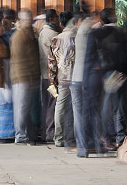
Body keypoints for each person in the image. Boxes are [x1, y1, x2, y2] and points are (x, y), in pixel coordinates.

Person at [88, 8, 127, 150]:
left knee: (104, 108)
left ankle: (105, 138)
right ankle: (121, 138)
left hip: (104, 75)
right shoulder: (123, 33)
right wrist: (125, 72)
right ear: (113, 17)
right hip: (121, 75)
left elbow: (93, 56)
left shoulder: (96, 34)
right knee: (120, 108)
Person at [10, 9, 40, 145]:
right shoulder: (19, 36)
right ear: (21, 20)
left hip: (31, 76)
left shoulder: (31, 34)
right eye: (26, 19)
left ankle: (28, 134)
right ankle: (20, 136)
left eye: (30, 18)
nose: (29, 21)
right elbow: (19, 59)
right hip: (22, 76)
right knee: (21, 108)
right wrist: (27, 75)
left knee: (27, 108)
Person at [71, 2, 96, 157]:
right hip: (83, 79)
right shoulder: (88, 30)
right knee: (84, 115)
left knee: (80, 115)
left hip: (77, 78)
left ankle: (83, 146)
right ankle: (84, 146)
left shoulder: (81, 31)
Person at [49, 11, 77, 151]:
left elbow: (52, 63)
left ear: (60, 23)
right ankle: (75, 137)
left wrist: (52, 81)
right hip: (77, 79)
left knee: (60, 108)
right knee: (77, 108)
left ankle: (59, 138)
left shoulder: (55, 39)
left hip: (62, 79)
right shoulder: (77, 38)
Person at [38, 8, 60, 143]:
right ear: (52, 19)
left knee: (46, 103)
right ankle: (50, 132)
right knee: (52, 103)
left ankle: (46, 131)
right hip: (50, 77)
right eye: (56, 18)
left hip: (44, 75)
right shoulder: (52, 34)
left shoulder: (42, 32)